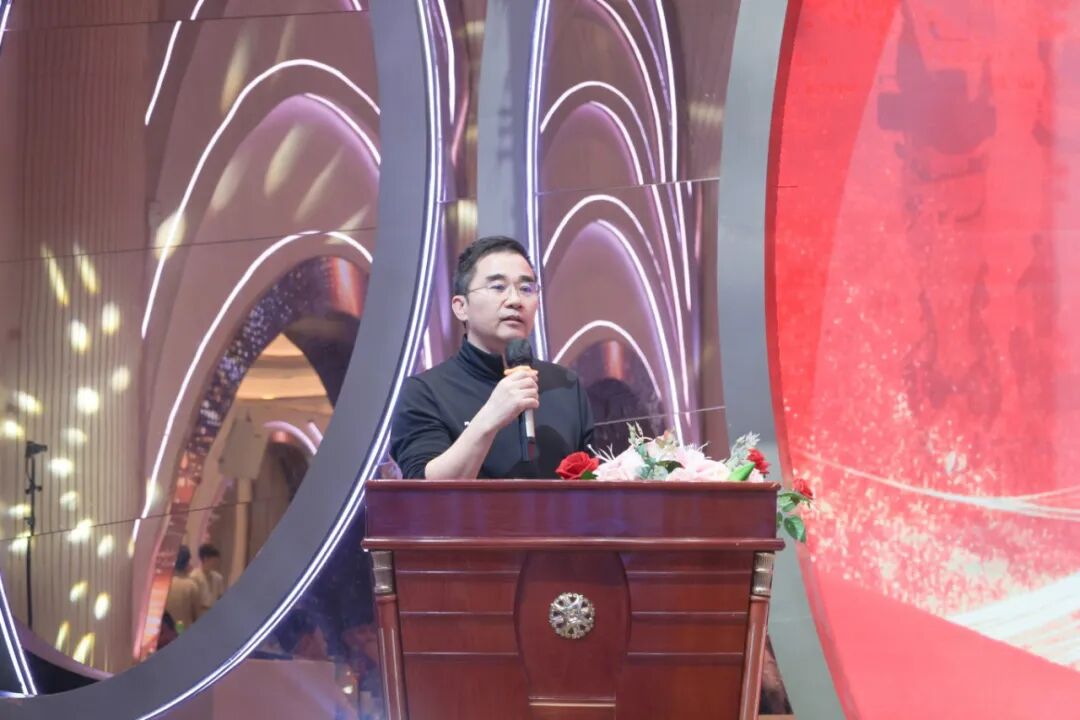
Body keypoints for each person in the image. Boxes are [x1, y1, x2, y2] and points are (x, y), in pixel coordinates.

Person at [390, 236, 594, 479]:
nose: (515, 301)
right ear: (460, 306)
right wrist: (490, 417)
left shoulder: (567, 385)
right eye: (498, 287)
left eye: (526, 288)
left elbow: (595, 489)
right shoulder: (425, 393)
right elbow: (424, 493)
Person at [164, 545, 200, 630]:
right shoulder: (191, 586)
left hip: (164, 633)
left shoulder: (162, 583)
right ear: (187, 563)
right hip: (182, 631)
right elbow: (197, 615)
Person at [190, 543, 226, 616]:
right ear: (205, 559)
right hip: (199, 613)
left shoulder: (218, 578)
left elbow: (221, 597)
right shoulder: (194, 576)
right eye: (214, 561)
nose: (215, 564)